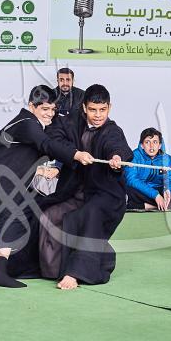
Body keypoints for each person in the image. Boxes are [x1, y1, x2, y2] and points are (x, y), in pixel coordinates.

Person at [0, 85, 94, 288]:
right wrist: (76, 154)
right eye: (45, 109)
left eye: (53, 109)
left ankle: (10, 268)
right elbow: (47, 145)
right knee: (11, 218)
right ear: (31, 106)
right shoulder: (27, 123)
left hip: (0, 178)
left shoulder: (34, 123)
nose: (50, 113)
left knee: (20, 215)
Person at [40, 84, 133, 290]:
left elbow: (117, 146)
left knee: (91, 214)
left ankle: (75, 272)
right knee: (48, 214)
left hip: (106, 194)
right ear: (84, 108)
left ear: (109, 108)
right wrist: (75, 154)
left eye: (102, 110)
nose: (98, 115)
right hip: (74, 190)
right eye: (93, 110)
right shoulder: (71, 122)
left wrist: (117, 157)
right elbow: (52, 137)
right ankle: (51, 269)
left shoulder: (113, 130)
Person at [124, 128, 171, 211]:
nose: (151, 146)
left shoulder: (166, 158)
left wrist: (168, 191)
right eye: (147, 142)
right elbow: (131, 180)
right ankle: (159, 206)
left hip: (160, 191)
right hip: (143, 191)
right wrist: (155, 195)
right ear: (142, 145)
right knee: (128, 190)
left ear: (160, 145)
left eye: (155, 142)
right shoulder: (134, 156)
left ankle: (147, 206)